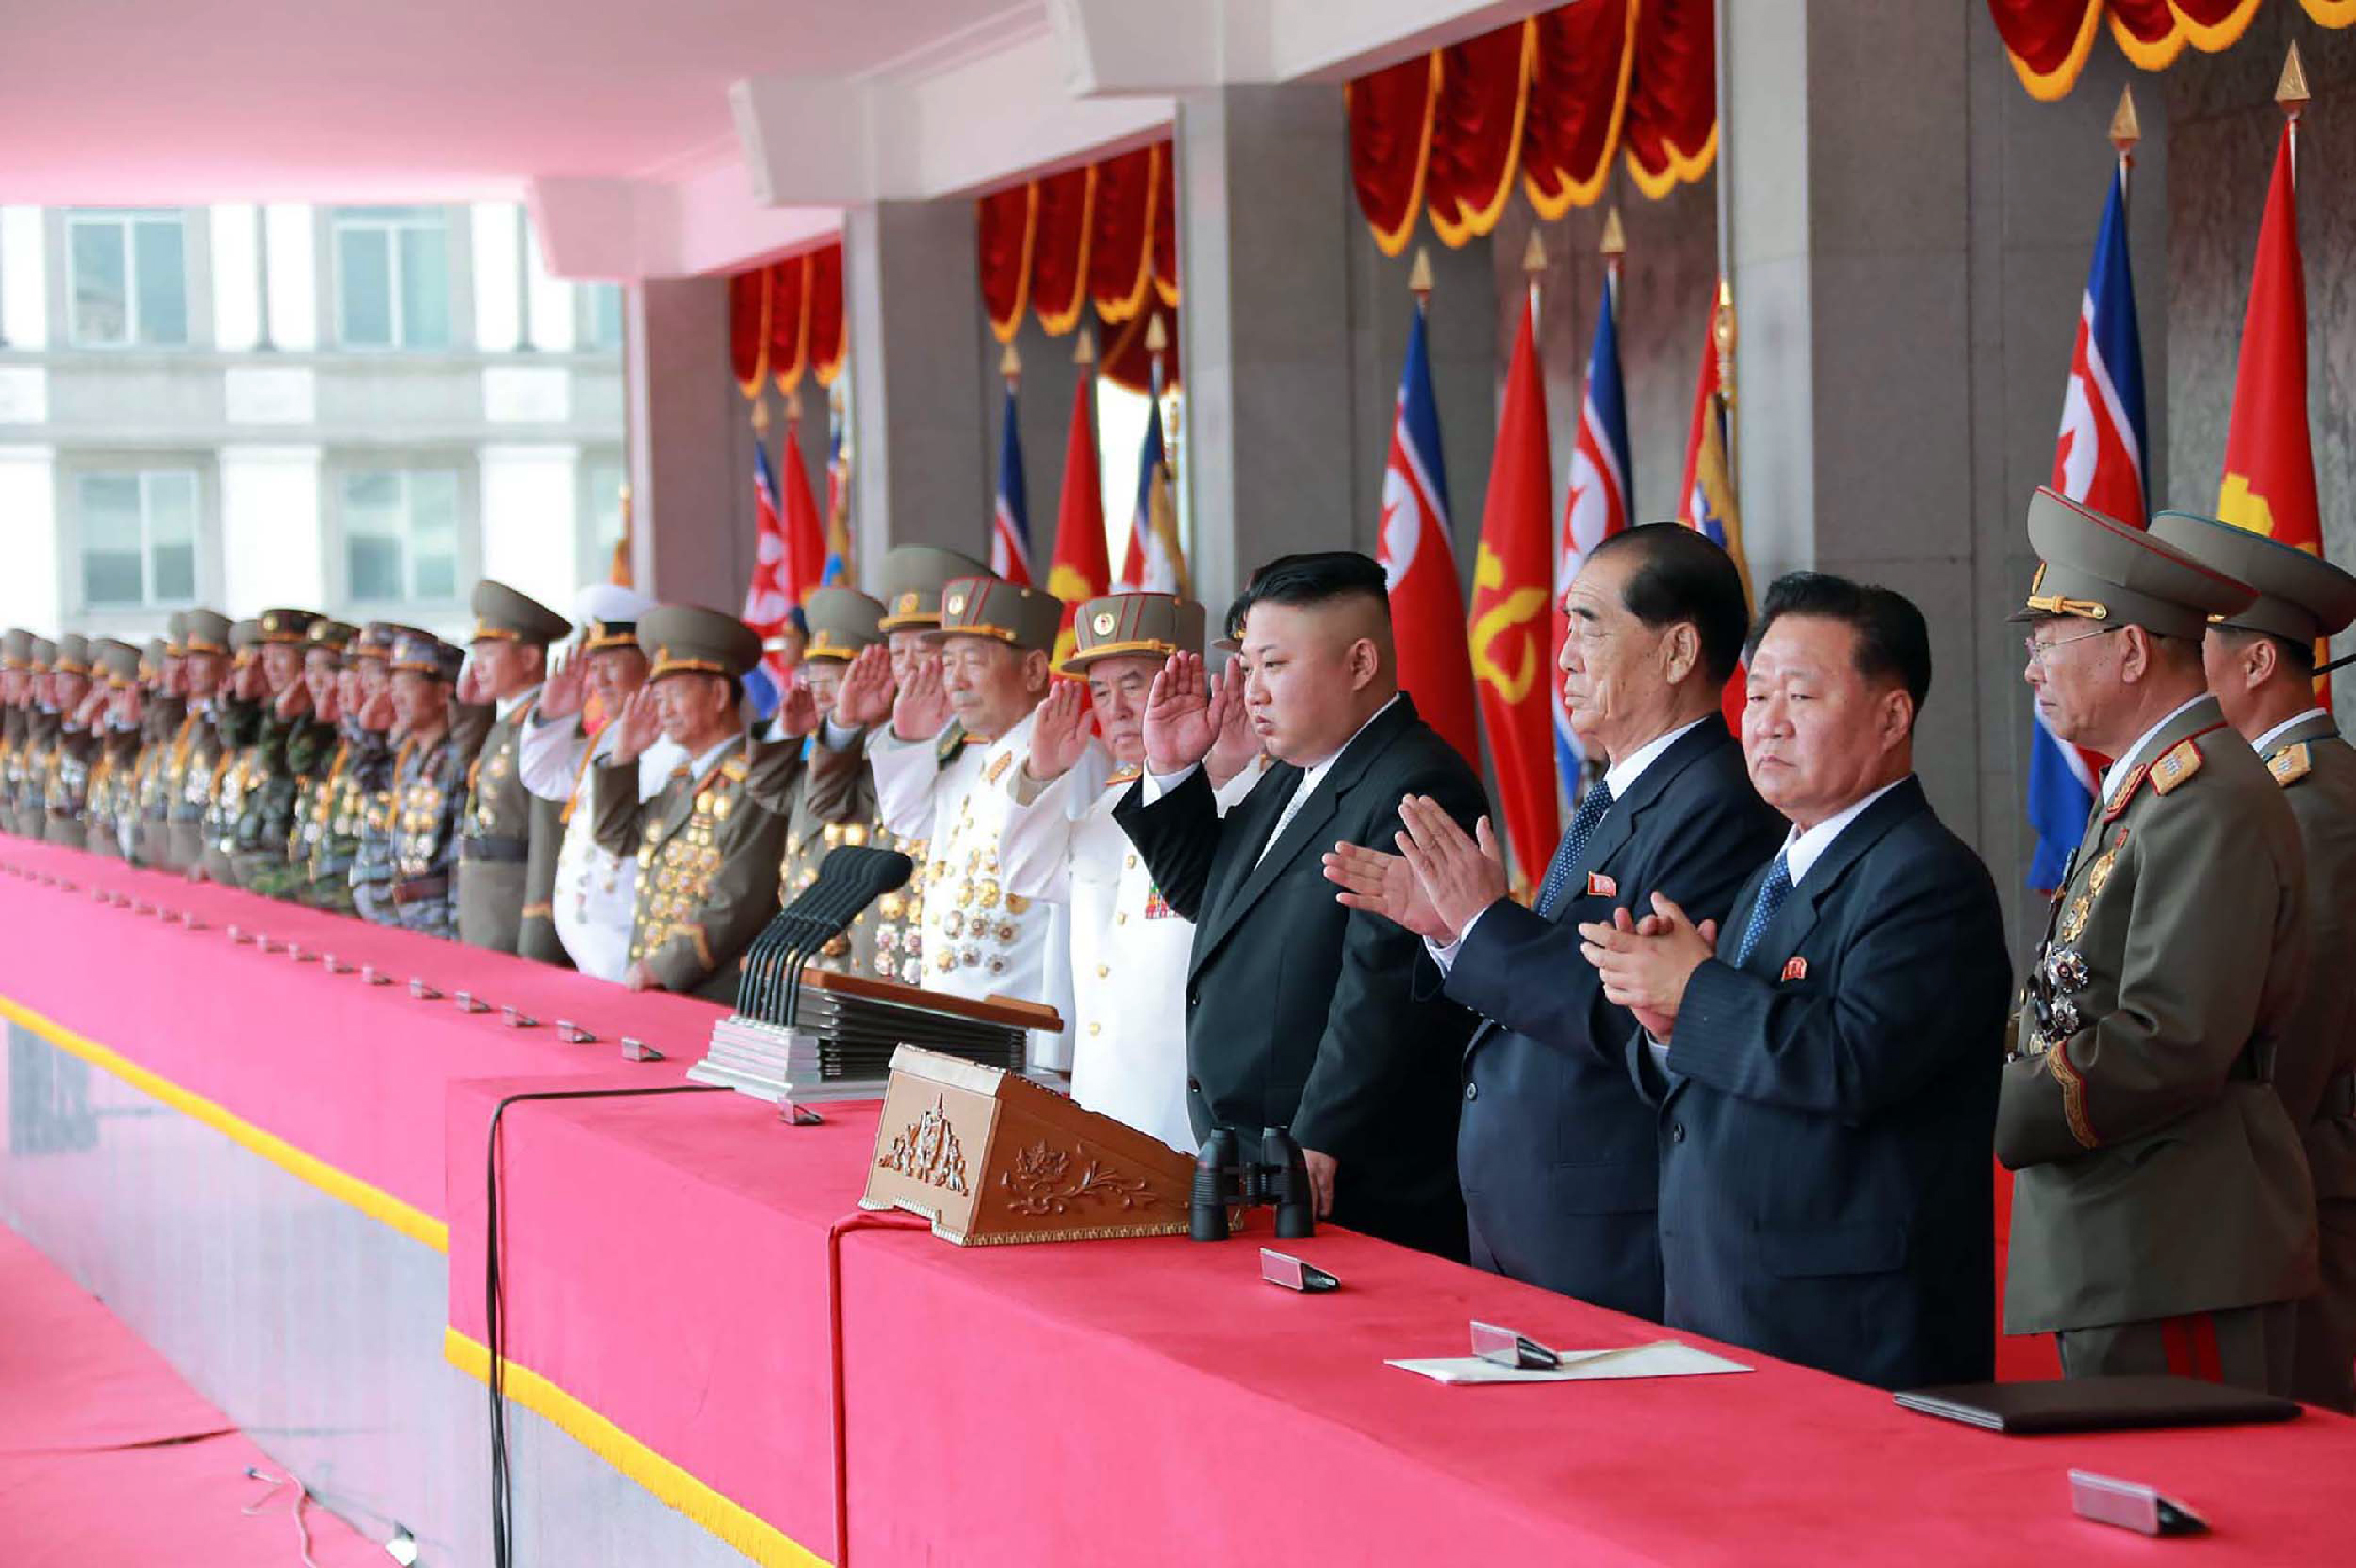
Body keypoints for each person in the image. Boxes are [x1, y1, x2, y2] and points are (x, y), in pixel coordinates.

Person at [1323, 524, 1782, 1318]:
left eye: (1589, 626)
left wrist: (1481, 926)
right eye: (1566, 627)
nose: (1563, 656)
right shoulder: (1622, 790)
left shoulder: (1715, 804)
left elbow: (1629, 1008)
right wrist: (1453, 932)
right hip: (1535, 1227)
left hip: (1615, 1232)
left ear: (1677, 653)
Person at [1579, 572, 2008, 1388]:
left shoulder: (1925, 878)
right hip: (1730, 1291)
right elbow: (1734, 1049)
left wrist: (1696, 993)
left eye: (1801, 697)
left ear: (1892, 716)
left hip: (1846, 1326)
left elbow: (1854, 1062)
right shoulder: (1779, 866)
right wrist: (1665, 1023)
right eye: (1759, 691)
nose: (1765, 722)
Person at [1999, 489, 2316, 1394]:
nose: (2031, 671)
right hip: (2133, 1237)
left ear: (2130, 649)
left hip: (2174, 1238)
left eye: (2048, 644)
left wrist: (1994, 1105)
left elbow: (2170, 1036)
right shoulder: (2150, 789)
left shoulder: (2205, 796)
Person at [1115, 551, 1488, 1258]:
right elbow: (1216, 903)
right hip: (1261, 1160)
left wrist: (1321, 1134)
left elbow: (1381, 993)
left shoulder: (1415, 783)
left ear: (1359, 663)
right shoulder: (1300, 771)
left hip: (1337, 1175)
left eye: (1275, 667)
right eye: (1248, 668)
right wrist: (1171, 769)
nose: (1253, 693)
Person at [2153, 509, 2356, 1412]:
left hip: (2304, 1186)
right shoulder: (2272, 790)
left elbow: (2300, 1037)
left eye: (2193, 643)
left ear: (2257, 662)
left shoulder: (2313, 801)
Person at [998, 594, 1261, 1153]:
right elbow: (1025, 874)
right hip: (1105, 1110)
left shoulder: (1244, 794)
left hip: (1192, 1127)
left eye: (1135, 684)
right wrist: (1041, 773)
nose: (1113, 709)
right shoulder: (1109, 804)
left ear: (1191, 684)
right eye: (1099, 691)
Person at [836, 574, 1073, 1068]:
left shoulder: (1066, 757)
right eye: (948, 663)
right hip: (954, 1019)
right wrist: (910, 738)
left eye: (973, 662)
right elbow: (907, 819)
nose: (955, 681)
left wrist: (1058, 1055)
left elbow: (1072, 912)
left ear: (1033, 670)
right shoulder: (970, 759)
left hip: (1024, 1036)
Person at [592, 606, 806, 1000]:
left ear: (720, 694)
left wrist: (663, 967)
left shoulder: (753, 781)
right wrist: (623, 757)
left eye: (675, 693)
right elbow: (616, 835)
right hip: (664, 989)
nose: (664, 709)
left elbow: (738, 900)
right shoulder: (681, 781)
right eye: (658, 696)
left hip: (718, 992)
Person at [757, 587, 922, 982]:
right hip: (803, 965)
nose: (826, 696)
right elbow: (765, 790)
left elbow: (832, 800)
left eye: (838, 680)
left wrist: (845, 726)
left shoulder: (886, 765)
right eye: (815, 683)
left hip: (860, 970)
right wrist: (785, 731)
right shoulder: (820, 761)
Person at [517, 584, 676, 982]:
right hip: (594, 960)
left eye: (612, 664)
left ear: (650, 664)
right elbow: (543, 776)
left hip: (636, 951)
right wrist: (553, 715)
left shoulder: (673, 745)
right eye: (593, 665)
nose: (599, 680)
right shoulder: (606, 738)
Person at [455, 580, 574, 961]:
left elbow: (547, 837)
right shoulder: (507, 723)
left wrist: (538, 930)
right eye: (477, 653)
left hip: (514, 914)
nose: (478, 666)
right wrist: (469, 709)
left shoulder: (542, 727)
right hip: (486, 907)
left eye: (490, 653)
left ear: (527, 659)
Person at [351, 633, 470, 936]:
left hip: (440, 923)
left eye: (408, 686)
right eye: (394, 687)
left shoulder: (459, 763)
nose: (396, 698)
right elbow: (369, 784)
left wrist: (459, 933)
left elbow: (461, 860)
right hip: (400, 916)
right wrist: (370, 734)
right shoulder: (408, 757)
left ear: (443, 692)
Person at [162, 611, 234, 873]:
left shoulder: (226, 718)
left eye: (201, 656)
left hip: (214, 854)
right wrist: (171, 693)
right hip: (181, 850)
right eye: (187, 657)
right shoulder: (190, 715)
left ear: (227, 663)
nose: (189, 666)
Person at [199, 620, 266, 885]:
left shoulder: (274, 725)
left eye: (251, 669)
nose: (244, 679)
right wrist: (233, 706)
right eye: (239, 671)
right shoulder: (236, 722)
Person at [81, 639, 145, 859]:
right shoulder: (106, 731)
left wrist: (128, 725)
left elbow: (124, 761)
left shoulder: (137, 733)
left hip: (129, 837)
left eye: (118, 690)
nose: (105, 695)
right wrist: (85, 719)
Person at [40, 634, 97, 849]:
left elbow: (79, 765)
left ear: (87, 684)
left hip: (81, 835)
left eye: (68, 679)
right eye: (58, 679)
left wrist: (82, 722)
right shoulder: (58, 724)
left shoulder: (94, 732)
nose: (58, 687)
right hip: (54, 832)